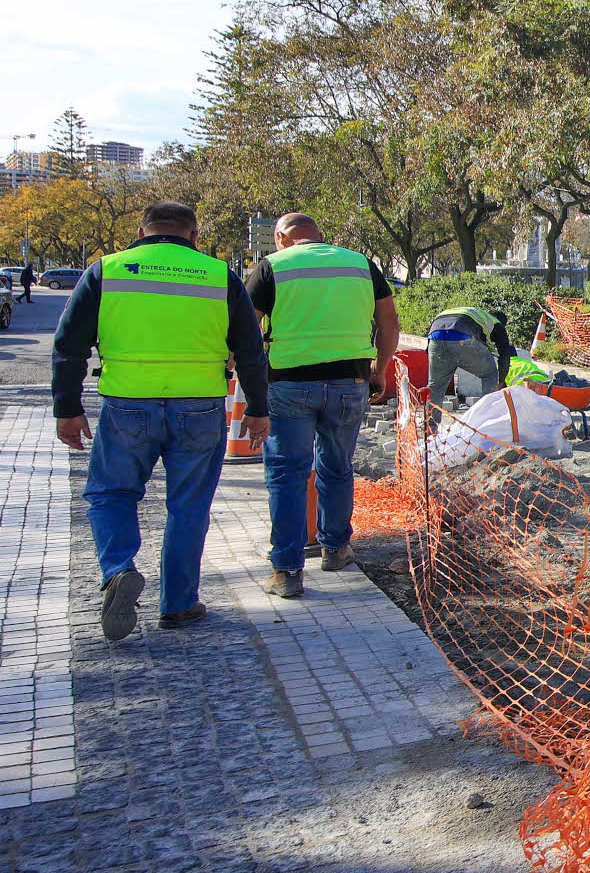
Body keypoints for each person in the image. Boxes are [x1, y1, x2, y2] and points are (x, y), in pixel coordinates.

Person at [51, 200, 271, 640]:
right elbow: (250, 350)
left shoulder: (107, 270)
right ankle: (179, 604)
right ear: (194, 234)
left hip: (127, 404)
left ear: (142, 231)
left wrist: (68, 408)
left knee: (111, 493)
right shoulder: (217, 275)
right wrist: (258, 410)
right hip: (200, 405)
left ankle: (118, 568)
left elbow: (69, 344)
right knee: (189, 505)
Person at [245, 212, 397, 596]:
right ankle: (336, 548)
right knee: (337, 467)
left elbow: (246, 330)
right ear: (318, 235)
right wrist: (379, 369)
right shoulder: (360, 264)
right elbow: (389, 324)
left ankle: (286, 571)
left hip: (289, 385)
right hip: (349, 383)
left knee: (287, 474)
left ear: (281, 237)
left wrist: (250, 383)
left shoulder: (272, 266)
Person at [424, 303, 514, 408]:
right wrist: (500, 381)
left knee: (435, 386)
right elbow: (504, 356)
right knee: (490, 374)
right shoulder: (496, 324)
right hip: (462, 336)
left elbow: (430, 348)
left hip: (435, 337)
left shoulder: (476, 315)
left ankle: (430, 418)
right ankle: (485, 415)